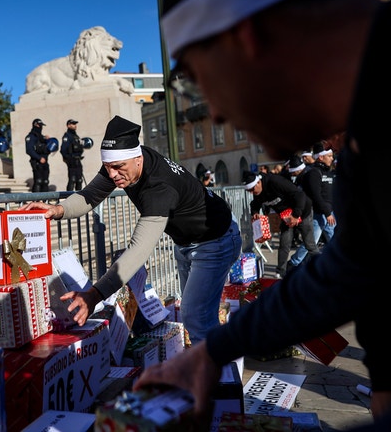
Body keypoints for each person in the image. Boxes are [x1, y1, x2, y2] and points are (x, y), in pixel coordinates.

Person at [136, 0, 391, 430]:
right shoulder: (365, 138)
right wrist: (215, 350)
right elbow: (348, 273)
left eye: (193, 77)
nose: (213, 110)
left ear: (244, 37)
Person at [21, 115, 241, 344]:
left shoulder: (158, 187)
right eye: (108, 168)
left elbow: (138, 251)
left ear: (138, 159)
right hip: (188, 241)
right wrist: (57, 210)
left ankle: (220, 377)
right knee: (195, 316)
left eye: (118, 168)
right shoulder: (126, 160)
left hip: (216, 239)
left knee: (196, 318)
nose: (113, 175)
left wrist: (95, 295)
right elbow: (90, 195)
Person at [243, 162, 319, 279]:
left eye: (253, 189)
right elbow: (254, 203)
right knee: (284, 243)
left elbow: (299, 195)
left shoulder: (275, 182)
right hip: (286, 216)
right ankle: (280, 272)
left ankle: (320, 268)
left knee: (309, 244)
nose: (253, 193)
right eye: (250, 191)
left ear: (258, 182)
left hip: (302, 211)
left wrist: (295, 215)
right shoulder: (258, 192)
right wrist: (255, 213)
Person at [290, 141, 336, 269]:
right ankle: (293, 263)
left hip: (329, 214)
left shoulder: (329, 172)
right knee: (311, 242)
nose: (332, 158)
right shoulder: (314, 173)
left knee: (334, 241)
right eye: (330, 156)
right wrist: (327, 212)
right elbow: (316, 195)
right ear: (321, 157)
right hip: (317, 214)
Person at [24, 118, 52, 192]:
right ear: (35, 125)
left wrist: (49, 141)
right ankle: (36, 201)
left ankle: (45, 201)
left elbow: (48, 149)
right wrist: (39, 158)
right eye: (40, 125)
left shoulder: (42, 138)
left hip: (45, 162)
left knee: (45, 182)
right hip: (37, 162)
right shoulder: (31, 137)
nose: (41, 127)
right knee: (38, 181)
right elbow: (29, 150)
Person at [60, 119, 85, 191]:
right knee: (72, 180)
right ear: (68, 125)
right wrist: (68, 159)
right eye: (73, 124)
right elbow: (63, 150)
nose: (75, 125)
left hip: (78, 161)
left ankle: (78, 198)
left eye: (75, 124)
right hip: (72, 161)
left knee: (79, 180)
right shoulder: (67, 136)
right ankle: (68, 198)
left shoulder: (76, 136)